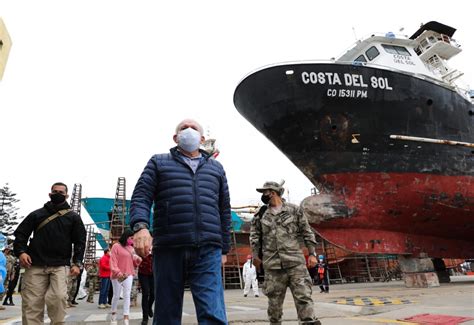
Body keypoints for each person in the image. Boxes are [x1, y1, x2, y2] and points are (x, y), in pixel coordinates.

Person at [130, 118, 231, 325]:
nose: (188, 131)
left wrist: (224, 249)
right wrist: (140, 226)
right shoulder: (158, 162)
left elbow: (224, 210)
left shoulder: (216, 169)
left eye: (193, 128)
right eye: (183, 128)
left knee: (213, 312)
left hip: (208, 248)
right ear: (175, 138)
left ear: (202, 138)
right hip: (169, 245)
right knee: (166, 313)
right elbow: (141, 196)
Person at [13, 182, 86, 325]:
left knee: (58, 297)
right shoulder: (36, 214)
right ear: (49, 194)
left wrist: (77, 263)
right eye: (55, 191)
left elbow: (80, 242)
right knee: (32, 304)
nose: (58, 194)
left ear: (67, 195)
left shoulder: (73, 218)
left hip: (60, 265)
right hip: (35, 265)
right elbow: (21, 235)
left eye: (61, 192)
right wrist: (21, 252)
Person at [250, 181, 321, 325]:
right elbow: (254, 237)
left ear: (273, 192)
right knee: (274, 305)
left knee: (304, 298)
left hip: (295, 264)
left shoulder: (294, 210)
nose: (263, 195)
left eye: (265, 192)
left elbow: (307, 233)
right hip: (273, 265)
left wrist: (312, 254)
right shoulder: (261, 214)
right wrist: (255, 256)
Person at [110, 229, 142, 325]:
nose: (132, 240)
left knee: (127, 295)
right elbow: (113, 261)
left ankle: (126, 317)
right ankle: (113, 314)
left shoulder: (131, 248)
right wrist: (118, 272)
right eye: (131, 238)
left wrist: (138, 260)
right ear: (126, 237)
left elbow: (133, 262)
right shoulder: (116, 246)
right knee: (116, 295)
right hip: (118, 275)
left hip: (128, 274)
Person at [138, 253, 154, 325]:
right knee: (145, 293)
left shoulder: (155, 243)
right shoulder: (142, 243)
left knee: (154, 294)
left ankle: (149, 307)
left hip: (153, 272)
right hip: (143, 272)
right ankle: (145, 317)